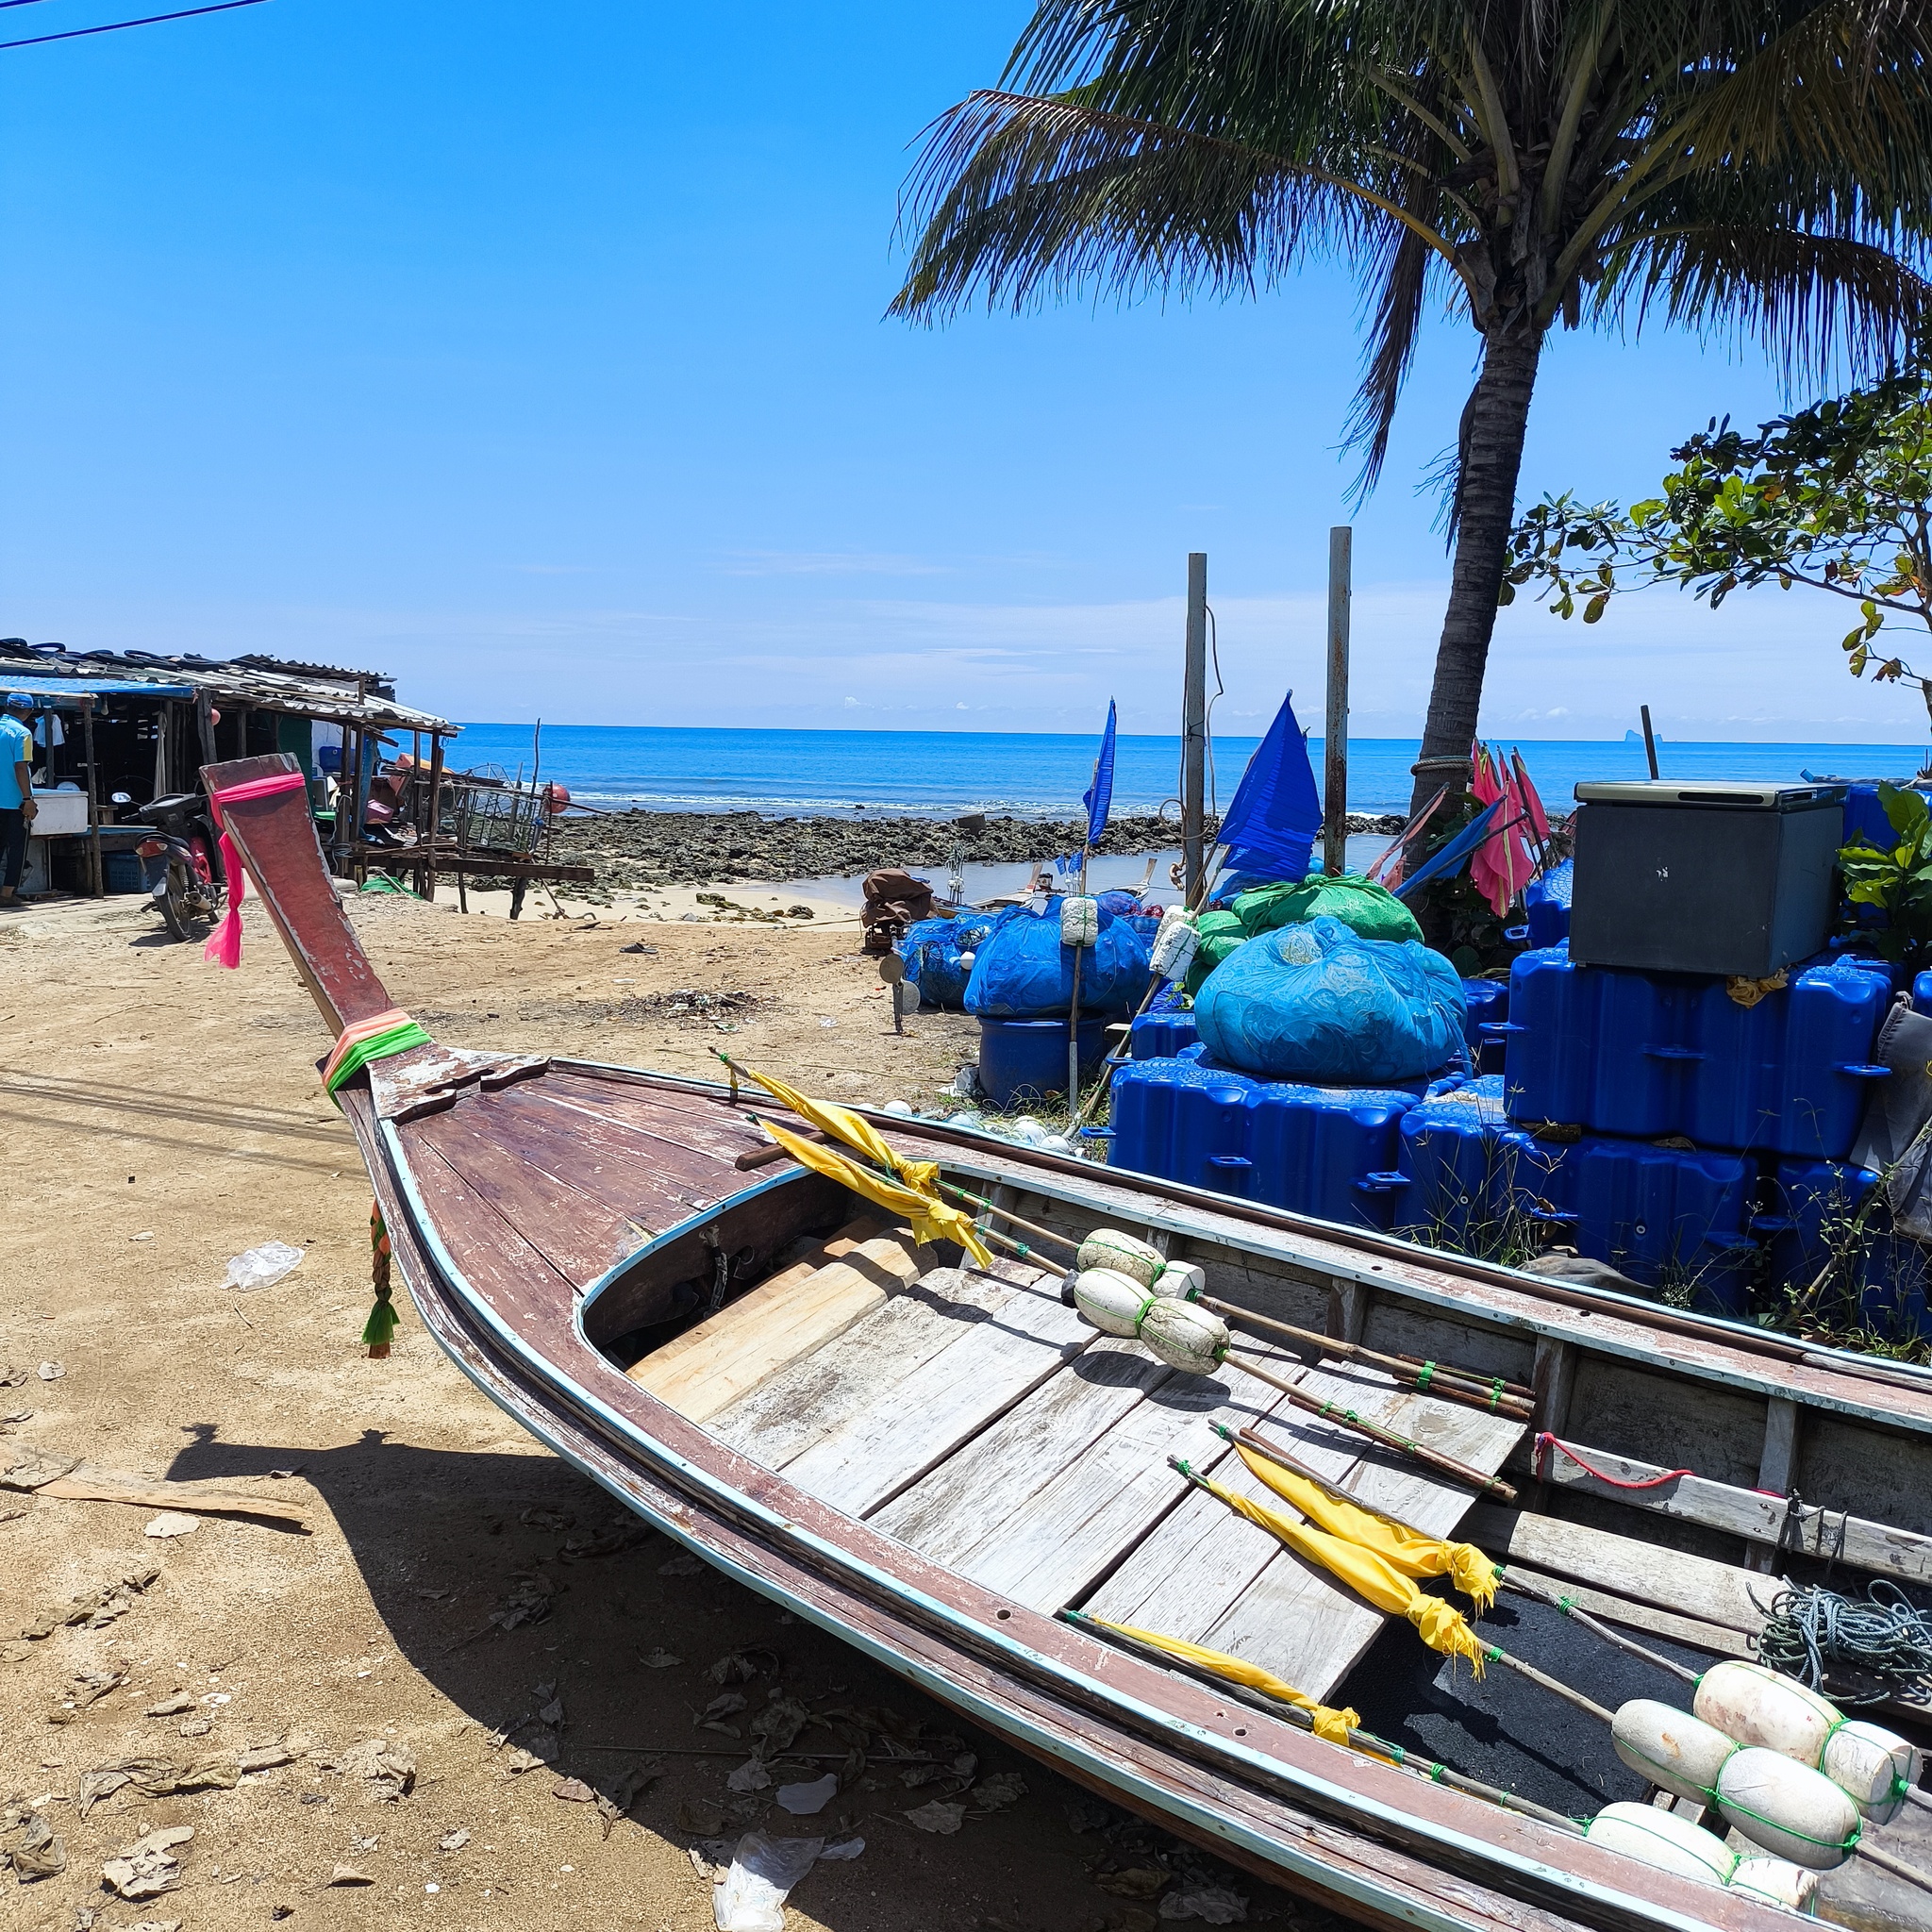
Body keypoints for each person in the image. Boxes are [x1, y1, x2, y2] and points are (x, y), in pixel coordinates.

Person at [0, 693, 37, 908]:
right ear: (28, 712)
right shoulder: (22, 734)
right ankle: (6, 894)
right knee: (17, 849)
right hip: (15, 802)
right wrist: (28, 799)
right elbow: (20, 767)